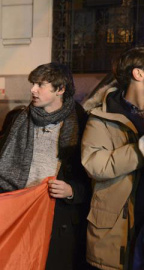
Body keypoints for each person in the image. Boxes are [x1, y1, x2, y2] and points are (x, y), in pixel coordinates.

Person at [0, 63, 91, 270]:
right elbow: (1, 163)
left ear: (60, 89)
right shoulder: (22, 119)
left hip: (59, 217)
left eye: (40, 85)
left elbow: (95, 176)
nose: (33, 90)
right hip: (21, 211)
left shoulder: (82, 124)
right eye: (33, 84)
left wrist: (72, 190)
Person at [81, 47, 144, 269]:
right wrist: (139, 150)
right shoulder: (102, 117)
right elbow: (96, 165)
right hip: (119, 233)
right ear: (139, 74)